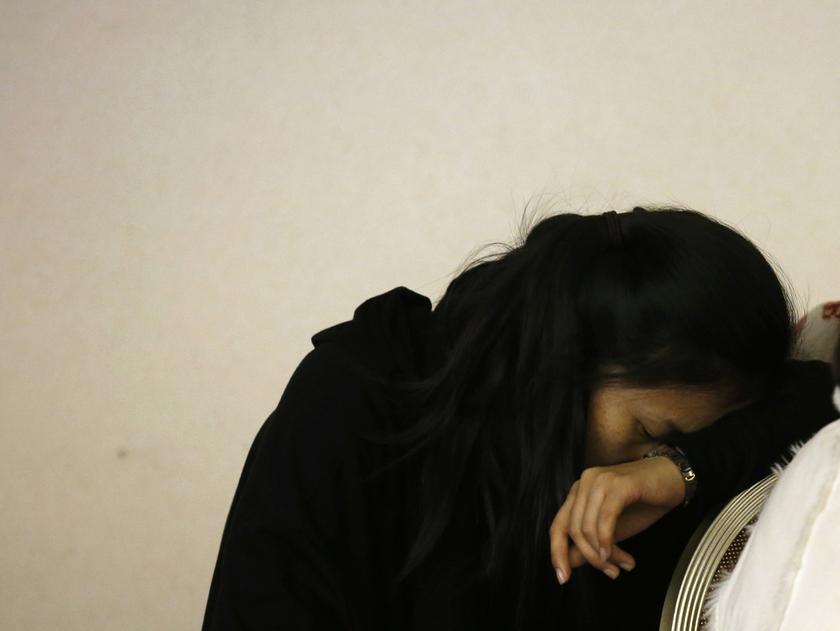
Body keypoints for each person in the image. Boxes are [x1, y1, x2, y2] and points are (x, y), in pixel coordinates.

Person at [200, 205, 840, 630]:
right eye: (649, 433)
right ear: (565, 361)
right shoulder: (358, 396)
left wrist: (681, 470)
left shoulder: (637, 475)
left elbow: (814, 388)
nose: (635, 470)